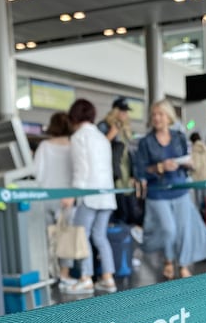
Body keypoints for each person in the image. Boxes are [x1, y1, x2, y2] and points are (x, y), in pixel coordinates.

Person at [135, 99, 206, 280]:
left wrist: (188, 164)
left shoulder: (179, 137)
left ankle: (183, 263)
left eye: (160, 114)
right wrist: (160, 167)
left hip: (180, 189)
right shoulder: (145, 143)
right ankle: (168, 259)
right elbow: (140, 170)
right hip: (158, 193)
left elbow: (188, 162)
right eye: (154, 115)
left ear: (169, 116)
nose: (157, 118)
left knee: (184, 230)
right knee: (168, 229)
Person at [65, 98, 118, 295]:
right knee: (100, 236)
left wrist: (73, 194)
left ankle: (85, 278)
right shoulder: (101, 138)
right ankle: (107, 278)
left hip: (89, 194)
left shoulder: (79, 137)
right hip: (107, 195)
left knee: (82, 235)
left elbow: (81, 169)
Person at [33, 112, 76, 290]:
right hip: (67, 197)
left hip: (46, 196)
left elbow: (37, 172)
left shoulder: (44, 146)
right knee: (66, 237)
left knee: (46, 238)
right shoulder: (73, 146)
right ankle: (65, 275)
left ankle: (49, 274)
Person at [98, 97, 143, 229]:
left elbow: (130, 155)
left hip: (126, 176)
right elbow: (97, 149)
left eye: (126, 111)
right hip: (113, 174)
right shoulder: (104, 126)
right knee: (117, 210)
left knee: (129, 210)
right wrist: (111, 135)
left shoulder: (126, 130)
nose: (124, 114)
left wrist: (133, 174)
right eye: (121, 111)